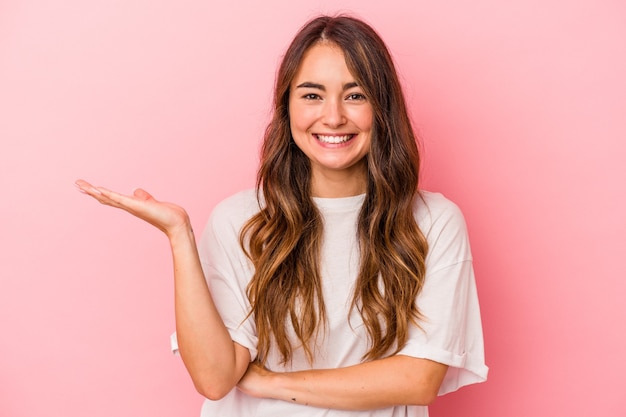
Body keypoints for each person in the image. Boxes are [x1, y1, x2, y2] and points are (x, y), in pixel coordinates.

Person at [76, 14, 487, 417]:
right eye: (311, 95)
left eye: (355, 94)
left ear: (382, 108)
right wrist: (179, 235)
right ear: (287, 106)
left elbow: (419, 380)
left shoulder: (433, 222)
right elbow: (215, 379)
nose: (333, 116)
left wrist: (269, 383)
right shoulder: (240, 219)